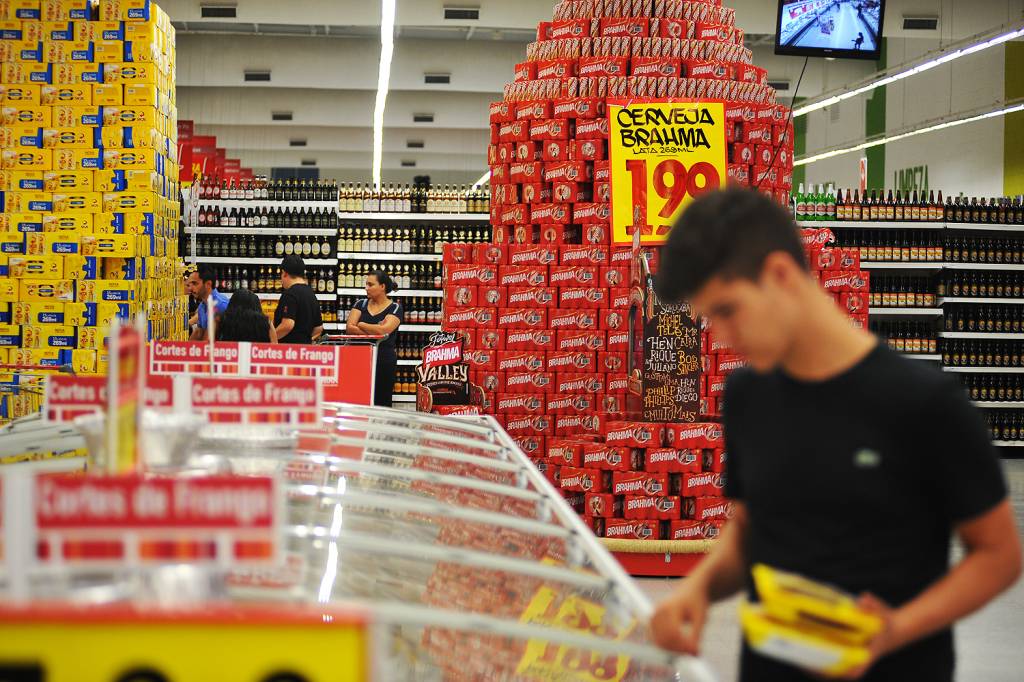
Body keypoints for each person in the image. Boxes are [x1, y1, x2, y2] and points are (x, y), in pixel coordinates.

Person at [649, 188, 1021, 682]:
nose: (721, 337)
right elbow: (748, 527)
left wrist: (898, 628)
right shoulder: (746, 395)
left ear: (780, 275)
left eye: (727, 311)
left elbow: (999, 554)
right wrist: (697, 588)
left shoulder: (925, 403)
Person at [346, 270, 403, 407]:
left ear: (382, 287)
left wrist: (361, 324)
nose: (366, 288)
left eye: (370, 284)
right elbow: (349, 328)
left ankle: (380, 430)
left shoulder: (395, 308)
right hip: (359, 360)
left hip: (383, 361)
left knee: (382, 403)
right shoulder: (360, 304)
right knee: (357, 402)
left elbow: (384, 331)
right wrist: (374, 329)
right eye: (366, 284)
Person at [273, 255, 323, 344]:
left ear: (284, 273)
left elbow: (287, 325)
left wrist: (269, 338)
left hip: (288, 351)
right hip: (304, 351)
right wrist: (305, 340)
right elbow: (318, 328)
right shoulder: (311, 293)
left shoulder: (290, 294)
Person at [187, 264, 229, 341]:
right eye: (189, 284)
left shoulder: (220, 305)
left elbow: (209, 339)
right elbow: (199, 332)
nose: (190, 288)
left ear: (208, 284)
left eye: (195, 284)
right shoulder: (202, 306)